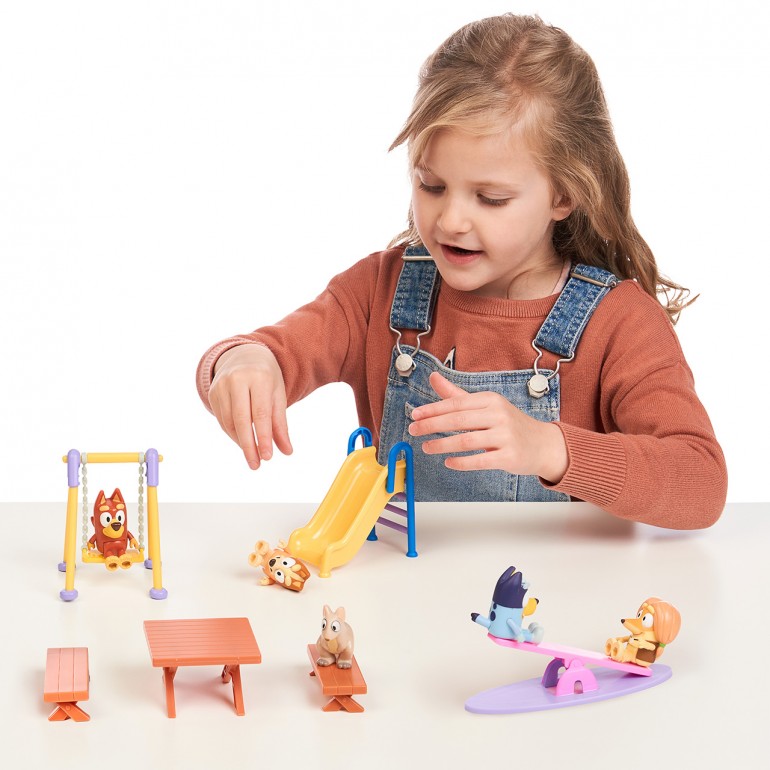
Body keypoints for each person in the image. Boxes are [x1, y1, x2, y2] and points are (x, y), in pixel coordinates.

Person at [196, 14, 726, 529]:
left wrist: (548, 447)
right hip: (404, 583)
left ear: (564, 194)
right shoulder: (378, 293)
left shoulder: (620, 323)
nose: (450, 220)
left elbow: (701, 482)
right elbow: (268, 352)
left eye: (491, 198)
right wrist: (245, 362)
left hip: (550, 591)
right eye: (431, 185)